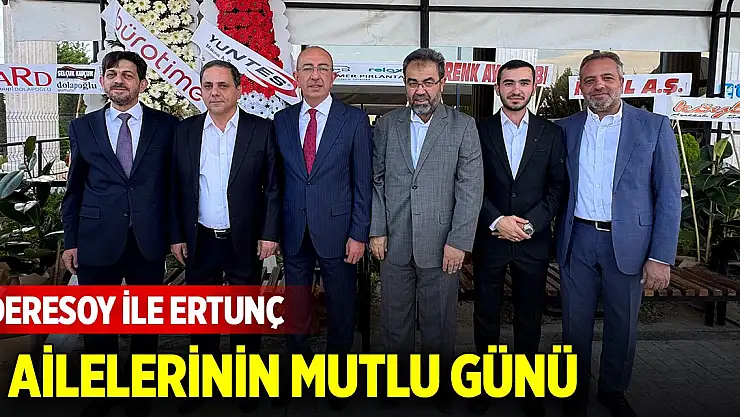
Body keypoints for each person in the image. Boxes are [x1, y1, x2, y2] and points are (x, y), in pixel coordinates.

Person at [555, 51, 681, 417]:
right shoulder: (565, 128)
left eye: (607, 77)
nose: (599, 86)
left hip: (629, 244)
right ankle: (573, 390)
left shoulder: (653, 126)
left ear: (621, 82)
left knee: (622, 325)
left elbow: (668, 195)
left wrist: (660, 256)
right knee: (573, 324)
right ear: (581, 87)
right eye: (590, 80)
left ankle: (612, 390)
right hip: (577, 239)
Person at [61, 50, 179, 417]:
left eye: (128, 75)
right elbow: (74, 188)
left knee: (145, 322)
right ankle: (100, 393)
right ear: (102, 81)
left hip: (148, 238)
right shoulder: (83, 127)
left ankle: (141, 395)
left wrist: (176, 235)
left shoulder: (166, 126)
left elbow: (174, 187)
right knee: (98, 322)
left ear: (142, 84)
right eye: (112, 74)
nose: (119, 80)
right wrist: (71, 240)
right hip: (96, 237)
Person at [369, 47, 483, 411]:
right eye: (413, 82)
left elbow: (470, 187)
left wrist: (459, 241)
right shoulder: (387, 124)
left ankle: (437, 385)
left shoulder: (463, 126)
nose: (420, 90)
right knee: (394, 321)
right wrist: (376, 229)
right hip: (394, 241)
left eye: (428, 82)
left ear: (442, 84)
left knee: (439, 322)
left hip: (442, 244)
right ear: (405, 85)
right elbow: (376, 180)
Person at [169, 59, 281, 414]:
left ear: (238, 89)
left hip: (244, 240)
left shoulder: (261, 130)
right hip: (200, 239)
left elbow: (273, 188)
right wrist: (176, 235)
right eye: (208, 86)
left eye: (222, 85)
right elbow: (175, 188)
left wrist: (269, 233)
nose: (214, 92)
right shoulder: (185, 131)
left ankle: (246, 385)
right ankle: (201, 383)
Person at [273, 46, 372, 410]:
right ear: (296, 77)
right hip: (294, 231)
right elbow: (277, 182)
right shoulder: (282, 120)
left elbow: (363, 183)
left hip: (340, 233)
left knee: (341, 307)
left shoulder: (354, 120)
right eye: (307, 68)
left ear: (333, 76)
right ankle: (300, 374)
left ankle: (338, 379)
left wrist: (359, 233)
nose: (315, 75)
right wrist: (274, 231)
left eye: (322, 68)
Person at [471, 59, 566, 417]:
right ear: (497, 88)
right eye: (508, 83)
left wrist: (531, 225)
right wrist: (496, 220)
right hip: (491, 238)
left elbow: (557, 187)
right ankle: (485, 384)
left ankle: (527, 386)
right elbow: (470, 183)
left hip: (532, 240)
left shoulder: (551, 133)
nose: (516, 90)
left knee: (529, 316)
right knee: (486, 315)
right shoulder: (479, 130)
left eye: (523, 83)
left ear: (533, 87)